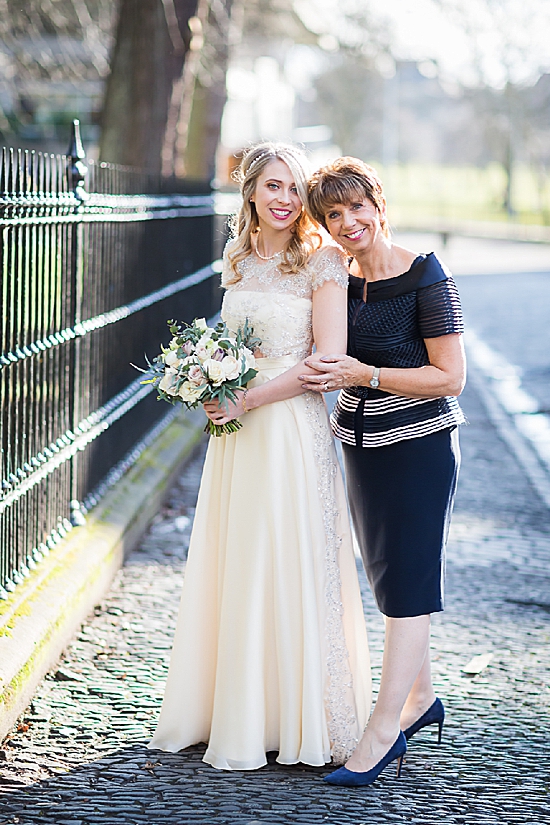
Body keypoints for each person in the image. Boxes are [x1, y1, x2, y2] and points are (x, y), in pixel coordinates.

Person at [148, 143, 371, 771]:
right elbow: (228, 342)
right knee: (239, 560)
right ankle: (236, 711)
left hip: (289, 430)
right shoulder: (238, 259)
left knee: (287, 556)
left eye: (294, 188)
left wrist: (248, 397)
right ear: (250, 192)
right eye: (273, 186)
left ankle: (296, 717)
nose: (284, 199)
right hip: (238, 436)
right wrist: (207, 380)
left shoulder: (323, 263)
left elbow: (326, 362)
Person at [303, 157, 466, 787]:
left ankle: (383, 732)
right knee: (387, 582)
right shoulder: (337, 281)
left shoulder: (425, 275)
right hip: (359, 447)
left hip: (420, 448)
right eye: (333, 215)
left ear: (378, 204)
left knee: (408, 589)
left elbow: (449, 377)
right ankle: (422, 700)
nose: (348, 223)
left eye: (356, 208)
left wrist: (366, 376)